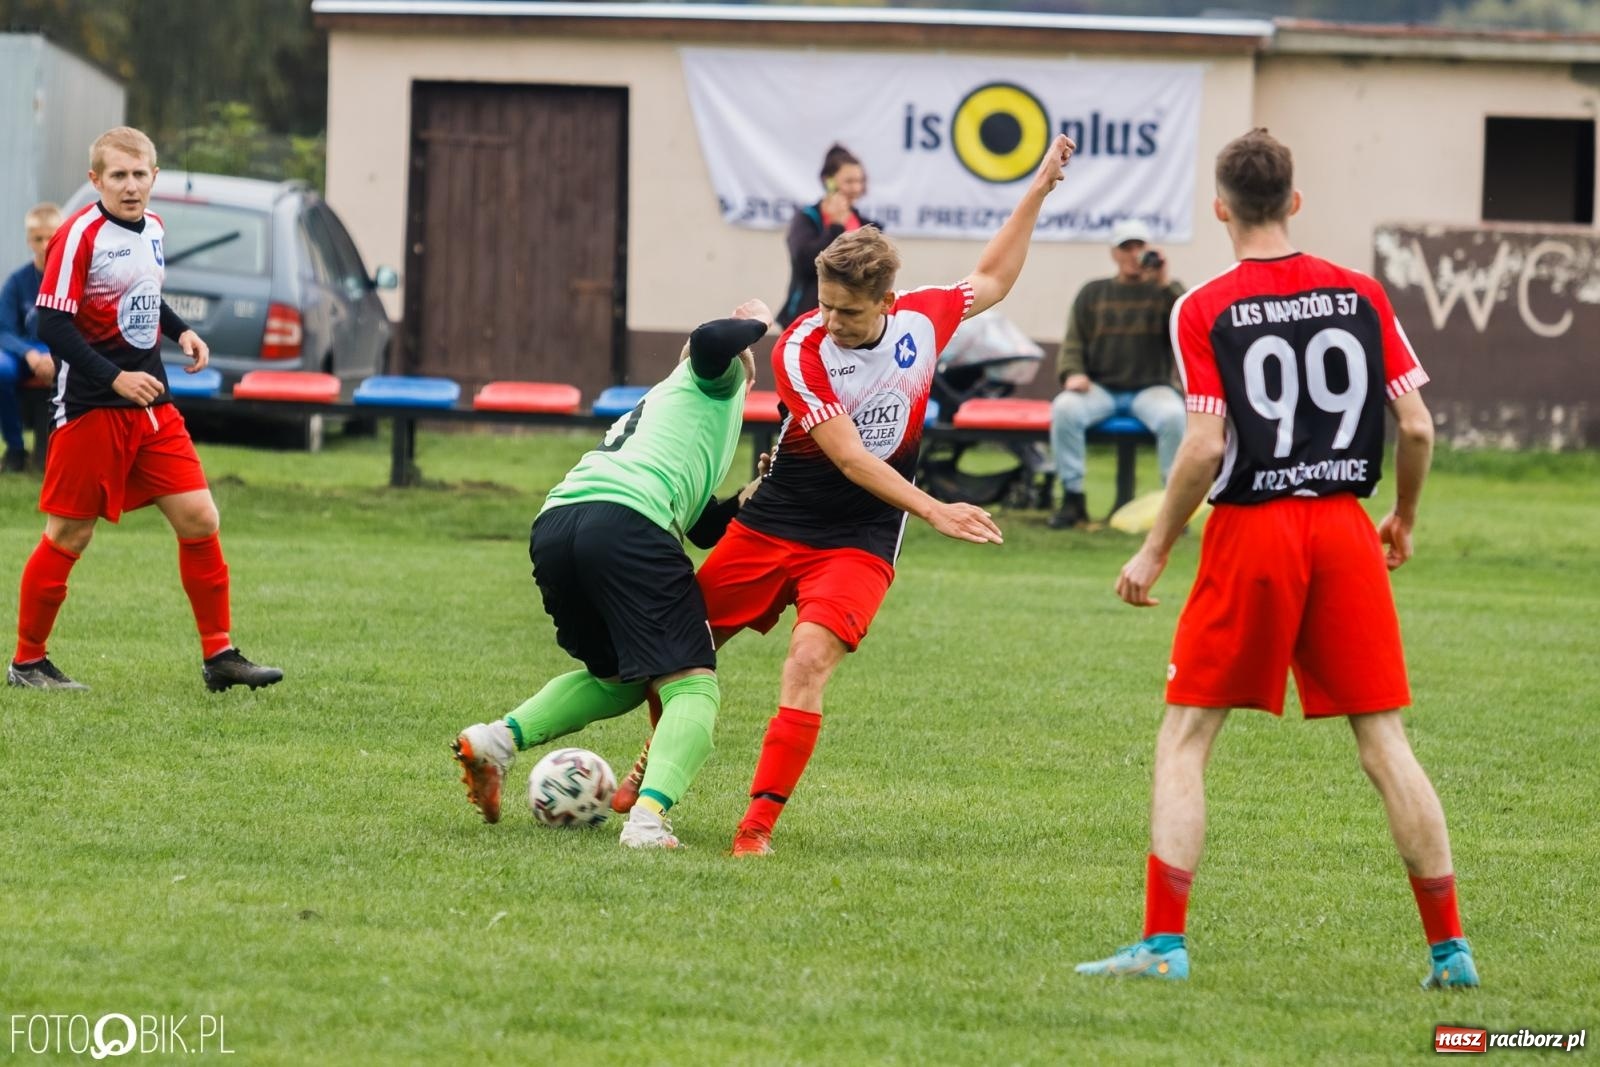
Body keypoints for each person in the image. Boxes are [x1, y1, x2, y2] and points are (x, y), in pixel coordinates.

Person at [1076, 129, 1476, 990]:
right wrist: (1401, 515)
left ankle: (1163, 945)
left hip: (1254, 530)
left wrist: (1154, 547)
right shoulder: (1361, 292)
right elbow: (1415, 424)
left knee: (1186, 736)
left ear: (1220, 207)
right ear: (1295, 201)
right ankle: (1451, 951)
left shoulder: (1205, 307)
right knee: (1384, 742)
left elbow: (1201, 446)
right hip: (1342, 526)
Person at [672, 134, 1076, 857]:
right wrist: (934, 507)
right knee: (678, 649)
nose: (831, 322)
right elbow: (852, 457)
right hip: (774, 521)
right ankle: (646, 781)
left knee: (806, 663)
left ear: (887, 301)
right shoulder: (800, 347)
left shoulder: (923, 318)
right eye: (825, 305)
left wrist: (1039, 191)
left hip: (857, 540)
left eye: (848, 313)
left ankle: (754, 830)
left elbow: (993, 276)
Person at [452, 299, 773, 850]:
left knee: (617, 680)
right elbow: (710, 340)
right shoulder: (713, 385)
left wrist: (746, 498)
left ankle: (497, 741)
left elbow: (699, 528)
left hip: (558, 525)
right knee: (694, 686)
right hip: (626, 526)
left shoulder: (674, 415)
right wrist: (760, 322)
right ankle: (647, 822)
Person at [8, 127, 282, 693]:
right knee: (68, 535)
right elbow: (52, 323)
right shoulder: (78, 235)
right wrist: (113, 377)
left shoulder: (153, 227)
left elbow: (143, 294)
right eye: (118, 176)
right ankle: (27, 663)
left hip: (152, 405)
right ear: (96, 181)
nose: (131, 187)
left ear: (153, 176)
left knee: (200, 518)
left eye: (139, 175)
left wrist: (183, 333)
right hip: (90, 406)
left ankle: (219, 656)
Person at [1046, 218, 1186, 529]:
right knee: (1065, 409)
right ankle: (1073, 499)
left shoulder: (1162, 292)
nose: (1134, 253)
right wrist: (1073, 374)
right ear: (1114, 253)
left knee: (1175, 417)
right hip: (1101, 388)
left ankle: (1175, 506)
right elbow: (1074, 341)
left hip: (1152, 388)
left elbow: (1187, 323)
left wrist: (1165, 282)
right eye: (1127, 247)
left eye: (1140, 246)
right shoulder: (1093, 293)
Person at [777, 144, 882, 329]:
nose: (856, 188)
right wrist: (835, 227)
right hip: (808, 318)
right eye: (849, 181)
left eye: (860, 181)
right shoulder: (807, 218)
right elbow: (805, 263)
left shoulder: (866, 224)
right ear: (829, 182)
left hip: (852, 320)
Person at [0, 203, 62, 472]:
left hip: (62, 352)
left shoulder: (74, 277)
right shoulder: (17, 281)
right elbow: (3, 330)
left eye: (52, 237)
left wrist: (56, 354)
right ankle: (15, 449)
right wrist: (30, 353)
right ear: (29, 240)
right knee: (1, 370)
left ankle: (63, 456)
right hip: (25, 353)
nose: (45, 244)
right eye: (38, 238)